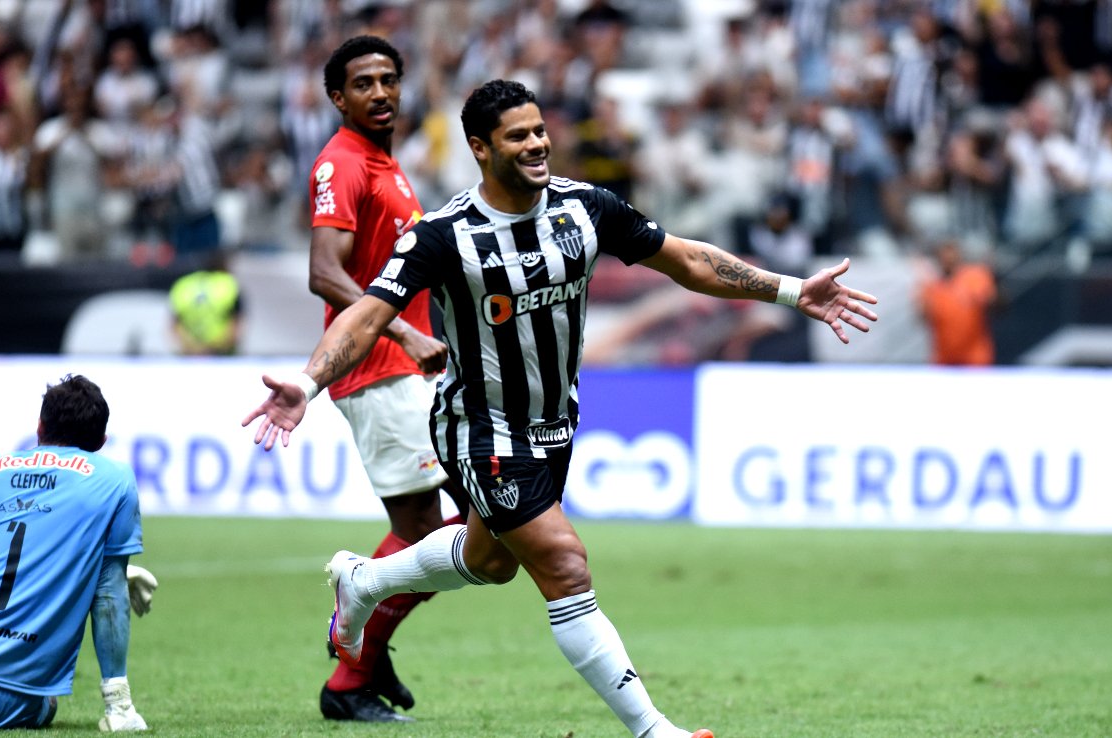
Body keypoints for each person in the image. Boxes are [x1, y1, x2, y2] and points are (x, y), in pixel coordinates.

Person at [243, 79, 879, 738]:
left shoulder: (586, 207)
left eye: (539, 130)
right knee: (564, 565)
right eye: (519, 135)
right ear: (480, 148)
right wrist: (308, 382)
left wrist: (789, 289)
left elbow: (685, 259)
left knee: (492, 562)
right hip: (479, 426)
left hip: (554, 424)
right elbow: (368, 314)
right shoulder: (443, 234)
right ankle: (654, 729)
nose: (538, 143)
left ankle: (366, 581)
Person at [301, 35, 471, 723]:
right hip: (377, 369)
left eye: (388, 79)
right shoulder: (341, 163)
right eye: (363, 83)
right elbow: (324, 272)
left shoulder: (385, 165)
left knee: (468, 517)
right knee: (431, 530)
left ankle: (367, 633)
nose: (380, 92)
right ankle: (351, 673)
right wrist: (399, 329)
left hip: (407, 370)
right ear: (337, 98)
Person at [0, 374, 157, 732]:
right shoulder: (117, 479)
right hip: (16, 698)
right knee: (48, 706)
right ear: (102, 440)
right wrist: (117, 704)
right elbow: (108, 592)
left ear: (39, 427)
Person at [917, 238, 997, 365]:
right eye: (943, 257)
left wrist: (984, 298)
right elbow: (923, 317)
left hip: (975, 358)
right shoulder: (931, 286)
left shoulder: (975, 277)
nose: (948, 260)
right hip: (944, 359)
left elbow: (995, 304)